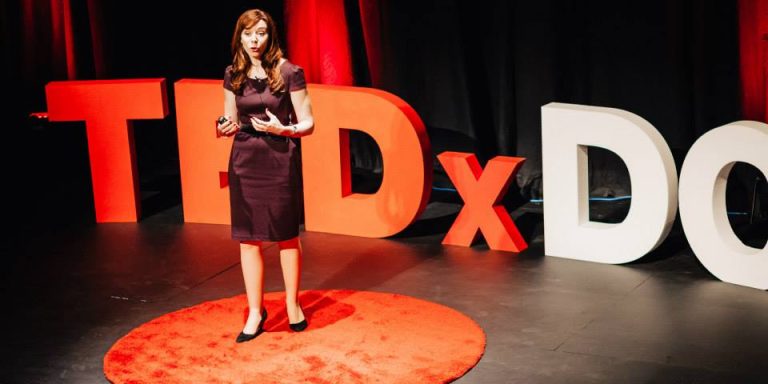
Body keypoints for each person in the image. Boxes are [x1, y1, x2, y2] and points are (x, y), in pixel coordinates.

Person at [216, 8, 314, 343]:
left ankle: (292, 305)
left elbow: (308, 123)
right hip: (245, 158)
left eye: (261, 33)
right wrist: (223, 126)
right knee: (249, 238)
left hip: (279, 156)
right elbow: (228, 119)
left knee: (286, 234)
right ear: (239, 36)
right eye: (248, 33)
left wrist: (282, 128)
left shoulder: (289, 72)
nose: (255, 40)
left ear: (270, 36)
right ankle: (256, 312)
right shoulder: (233, 74)